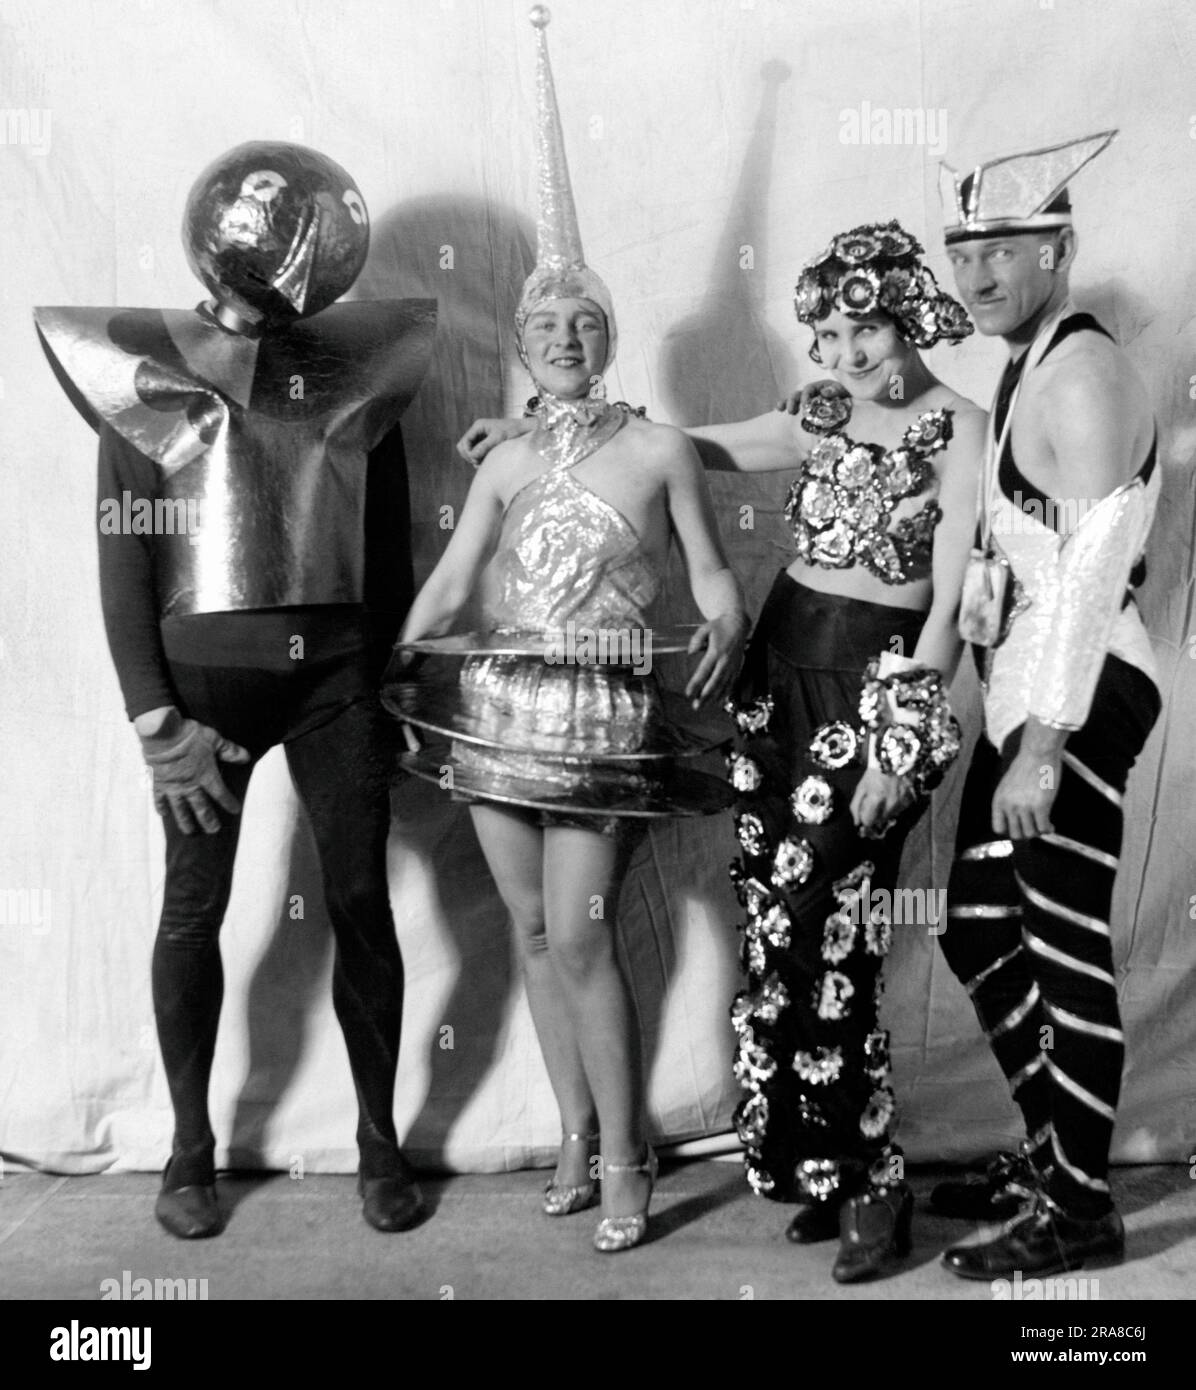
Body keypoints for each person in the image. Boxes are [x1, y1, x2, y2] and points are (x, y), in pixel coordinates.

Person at [463, 219, 985, 1281]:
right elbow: (700, 447)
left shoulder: (963, 427)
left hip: (875, 689)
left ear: (910, 321)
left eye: (864, 333)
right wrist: (547, 433)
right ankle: (821, 1166)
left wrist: (900, 739)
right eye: (828, 335)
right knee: (773, 935)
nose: (841, 356)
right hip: (776, 676)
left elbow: (950, 610)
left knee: (827, 928)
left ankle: (872, 1177)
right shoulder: (823, 410)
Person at [395, 7, 748, 1255]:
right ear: (524, 342)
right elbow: (449, 586)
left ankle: (630, 1159)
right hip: (494, 703)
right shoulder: (495, 459)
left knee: (588, 936)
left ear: (607, 334)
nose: (563, 337)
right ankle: (571, 1129)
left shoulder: (657, 448)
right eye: (544, 324)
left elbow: (709, 572)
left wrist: (720, 614)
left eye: (583, 322)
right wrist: (400, 649)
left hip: (601, 710)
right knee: (533, 931)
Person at [35, 142, 436, 1239]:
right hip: (201, 701)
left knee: (358, 900)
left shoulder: (363, 364)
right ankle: (188, 1148)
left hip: (337, 688)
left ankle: (376, 1141)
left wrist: (389, 673)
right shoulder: (142, 363)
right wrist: (152, 715)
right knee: (193, 910)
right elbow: (124, 553)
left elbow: (384, 544)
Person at [929, 132, 1161, 1279]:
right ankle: (1048, 1151)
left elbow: (1086, 570)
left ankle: (1077, 1208)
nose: (974, 278)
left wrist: (1041, 750)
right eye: (960, 254)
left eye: (1001, 254)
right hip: (1027, 689)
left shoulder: (1075, 371)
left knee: (1062, 946)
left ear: (1057, 251)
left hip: (1074, 694)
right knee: (974, 923)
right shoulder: (1027, 356)